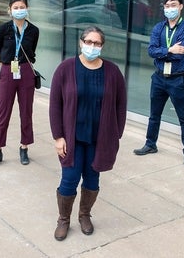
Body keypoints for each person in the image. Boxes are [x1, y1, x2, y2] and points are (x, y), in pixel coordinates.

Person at [49, 26, 127, 241]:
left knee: (92, 179)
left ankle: (84, 215)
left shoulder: (112, 72)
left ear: (102, 46)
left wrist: (116, 134)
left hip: (99, 140)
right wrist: (58, 136)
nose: (92, 46)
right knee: (69, 179)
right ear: (81, 43)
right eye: (89, 42)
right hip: (72, 139)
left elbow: (121, 104)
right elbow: (55, 104)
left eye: (97, 43)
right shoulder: (65, 69)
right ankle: (63, 219)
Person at [133, 0, 184, 167]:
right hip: (159, 77)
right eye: (166, 6)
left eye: (173, 5)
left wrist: (164, 52)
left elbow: (181, 52)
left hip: (178, 79)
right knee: (154, 115)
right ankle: (150, 144)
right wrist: (169, 50)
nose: (169, 9)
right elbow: (151, 51)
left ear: (181, 6)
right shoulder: (159, 28)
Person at [0, 0, 39, 168]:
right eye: (16, 7)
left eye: (22, 7)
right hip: (8, 71)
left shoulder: (33, 30)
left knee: (26, 111)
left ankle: (24, 147)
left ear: (27, 9)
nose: (19, 10)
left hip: (26, 71)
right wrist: (10, 66)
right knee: (3, 111)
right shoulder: (3, 29)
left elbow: (32, 50)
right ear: (9, 10)